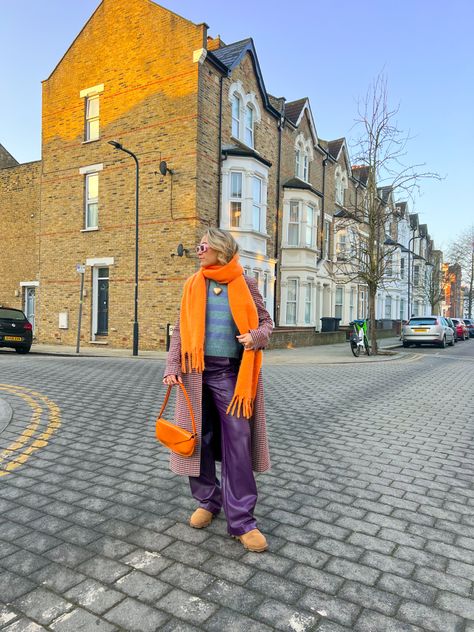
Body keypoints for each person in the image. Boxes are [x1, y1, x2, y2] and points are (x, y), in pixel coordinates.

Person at [163, 228, 273, 552]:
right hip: (194, 372)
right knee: (199, 440)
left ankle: (242, 520)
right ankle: (208, 502)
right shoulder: (192, 285)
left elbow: (267, 324)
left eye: (203, 246)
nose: (198, 251)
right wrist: (172, 368)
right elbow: (180, 331)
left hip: (230, 375)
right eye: (198, 245)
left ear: (221, 251)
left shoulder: (245, 283)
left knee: (238, 443)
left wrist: (255, 337)